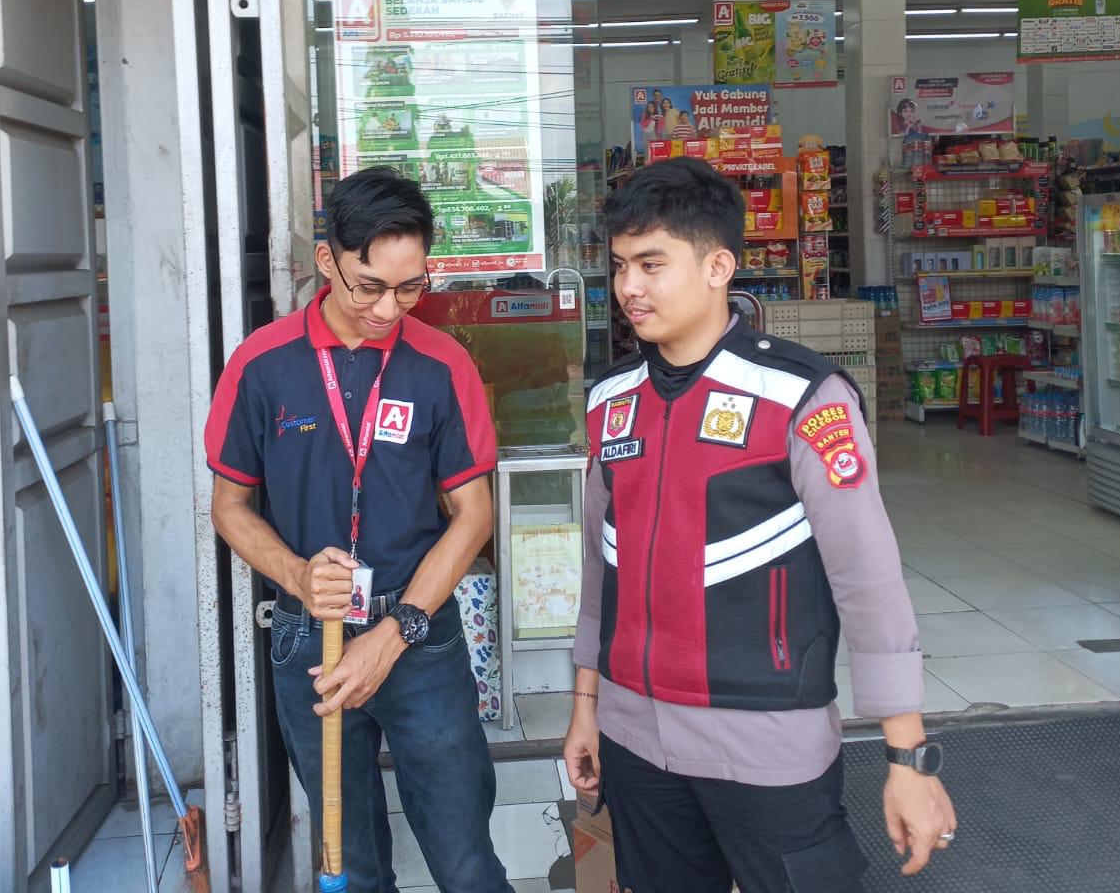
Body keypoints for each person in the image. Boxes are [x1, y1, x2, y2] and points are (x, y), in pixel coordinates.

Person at [563, 158, 956, 893]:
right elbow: (599, 566)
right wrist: (586, 705)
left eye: (651, 264)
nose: (628, 288)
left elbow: (867, 580)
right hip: (634, 739)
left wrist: (907, 758)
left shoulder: (803, 397)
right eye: (619, 266)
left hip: (767, 742)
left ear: (718, 267)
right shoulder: (612, 399)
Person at [206, 167, 514, 893]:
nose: (386, 309)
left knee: (465, 857)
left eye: (409, 289)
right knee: (349, 859)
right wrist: (295, 574)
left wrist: (397, 631)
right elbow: (229, 506)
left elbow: (473, 514)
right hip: (308, 637)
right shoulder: (261, 365)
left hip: (420, 635)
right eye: (368, 286)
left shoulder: (442, 365)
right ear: (328, 260)